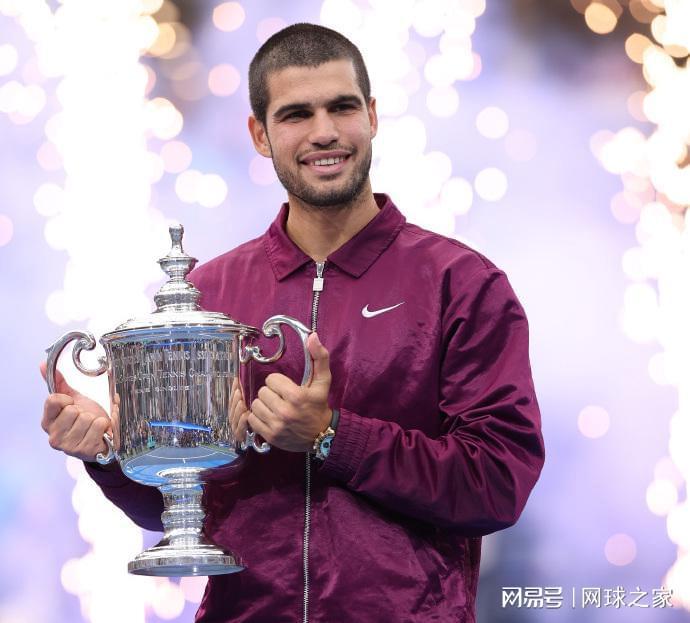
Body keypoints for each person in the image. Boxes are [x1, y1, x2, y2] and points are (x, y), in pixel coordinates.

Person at [41, 23, 544, 623]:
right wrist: (105, 454)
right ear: (260, 134)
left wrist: (331, 434)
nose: (324, 132)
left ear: (373, 116)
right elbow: (177, 507)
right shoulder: (210, 295)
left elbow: (497, 484)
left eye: (342, 108)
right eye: (296, 114)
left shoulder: (460, 283)